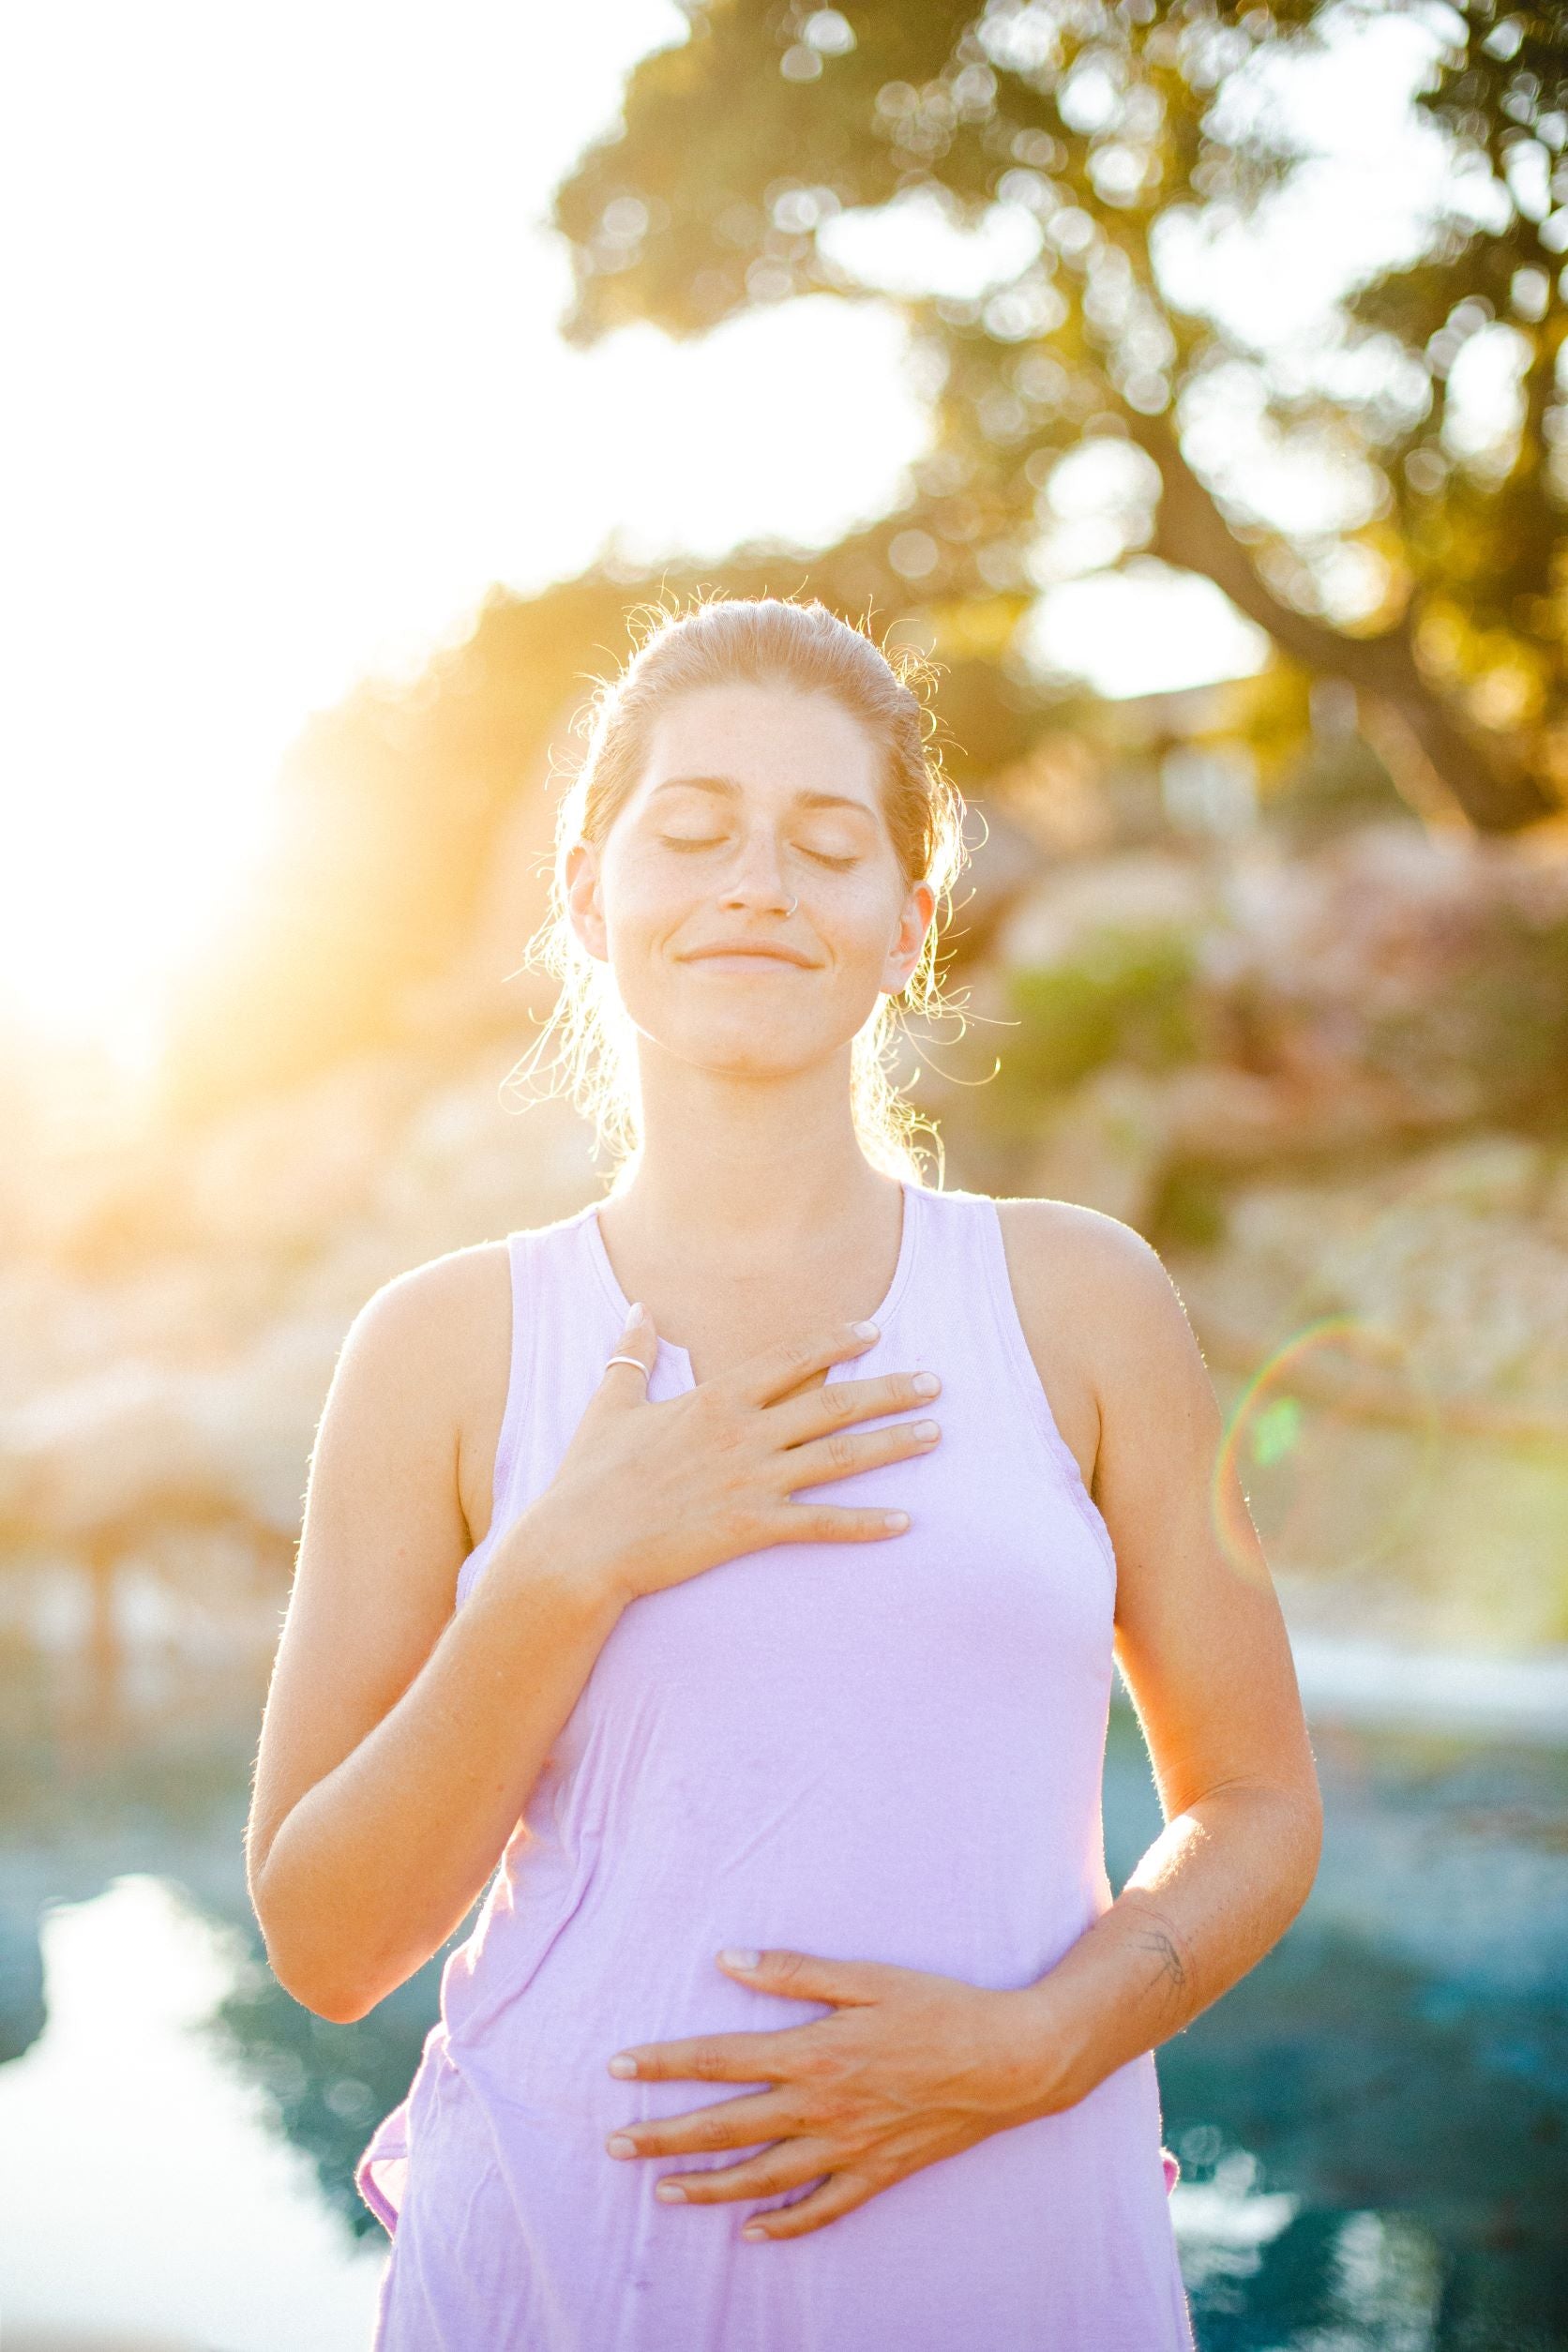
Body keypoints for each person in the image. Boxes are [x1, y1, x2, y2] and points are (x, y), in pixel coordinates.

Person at [246, 593, 1322, 2349]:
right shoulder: (440, 1349)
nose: (755, 882)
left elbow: (1258, 1801)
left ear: (904, 925)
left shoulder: (1078, 1302)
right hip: (568, 2265)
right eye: (692, 834)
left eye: (826, 845)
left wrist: (1049, 2040)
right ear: (589, 900)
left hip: (1014, 2259)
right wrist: (562, 1566)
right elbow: (328, 1942)